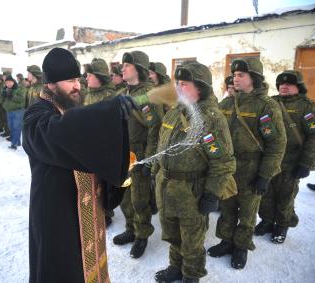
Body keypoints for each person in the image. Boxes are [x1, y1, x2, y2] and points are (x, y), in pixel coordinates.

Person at [22, 47, 136, 283]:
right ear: (51, 84)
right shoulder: (37, 114)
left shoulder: (70, 106)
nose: (77, 86)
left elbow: (88, 144)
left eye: (78, 79)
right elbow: (56, 132)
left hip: (86, 212)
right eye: (69, 81)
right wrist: (108, 111)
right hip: (57, 217)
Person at [153, 62, 236, 283]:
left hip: (192, 191)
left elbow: (223, 162)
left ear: (200, 87)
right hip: (167, 186)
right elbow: (161, 145)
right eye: (176, 84)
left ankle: (191, 276)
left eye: (184, 84)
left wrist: (211, 195)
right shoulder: (174, 112)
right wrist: (155, 172)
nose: (178, 89)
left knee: (192, 241)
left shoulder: (211, 119)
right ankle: (175, 267)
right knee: (172, 234)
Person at [209, 58, 286, 269]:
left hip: (252, 169)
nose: (236, 78)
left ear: (255, 78)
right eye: (234, 75)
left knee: (247, 213)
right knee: (226, 208)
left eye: (241, 75)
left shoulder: (266, 106)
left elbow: (276, 144)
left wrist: (264, 175)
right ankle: (226, 242)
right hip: (227, 168)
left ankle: (241, 247)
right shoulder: (225, 103)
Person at [256, 70, 315, 243]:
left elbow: (314, 135)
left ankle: (282, 226)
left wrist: (306, 162)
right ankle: (266, 221)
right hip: (269, 160)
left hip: (292, 162)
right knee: (265, 194)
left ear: (298, 86)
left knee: (286, 197)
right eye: (281, 84)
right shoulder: (271, 103)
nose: (284, 87)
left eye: (289, 84)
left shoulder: (307, 106)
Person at [112, 50, 163, 259]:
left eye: (127, 65)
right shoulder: (123, 94)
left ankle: (142, 235)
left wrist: (148, 159)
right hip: (124, 154)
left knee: (139, 199)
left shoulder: (149, 95)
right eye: (122, 65)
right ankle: (131, 229)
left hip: (140, 155)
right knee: (124, 196)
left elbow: (156, 129)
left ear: (139, 70)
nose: (122, 68)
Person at [83, 57, 117, 227]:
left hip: (104, 149)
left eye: (90, 75)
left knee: (105, 184)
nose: (86, 78)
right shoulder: (87, 94)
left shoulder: (110, 97)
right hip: (88, 147)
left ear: (100, 77)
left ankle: (107, 212)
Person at [1, 75, 25, 149]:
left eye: (10, 82)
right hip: (9, 111)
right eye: (7, 82)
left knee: (16, 127)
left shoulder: (19, 88)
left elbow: (21, 99)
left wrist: (12, 95)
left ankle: (13, 144)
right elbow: (0, 100)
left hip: (18, 111)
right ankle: (17, 142)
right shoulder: (5, 89)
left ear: (13, 82)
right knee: (11, 127)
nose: (8, 84)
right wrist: (3, 95)